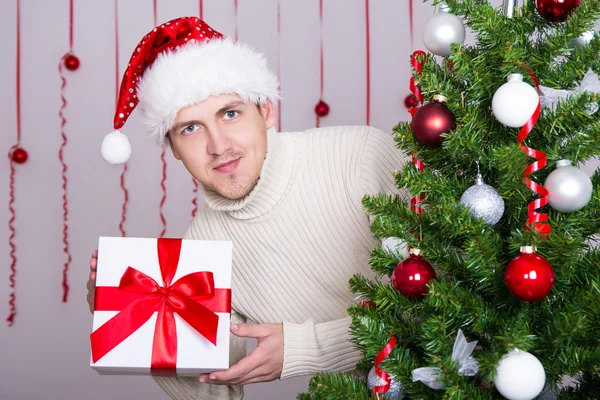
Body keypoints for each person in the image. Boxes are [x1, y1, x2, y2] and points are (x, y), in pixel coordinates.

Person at [87, 16, 407, 400]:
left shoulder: (359, 156)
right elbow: (216, 389)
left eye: (230, 113)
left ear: (266, 111)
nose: (218, 145)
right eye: (191, 128)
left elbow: (438, 289)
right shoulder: (201, 251)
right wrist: (132, 314)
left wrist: (303, 348)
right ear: (172, 147)